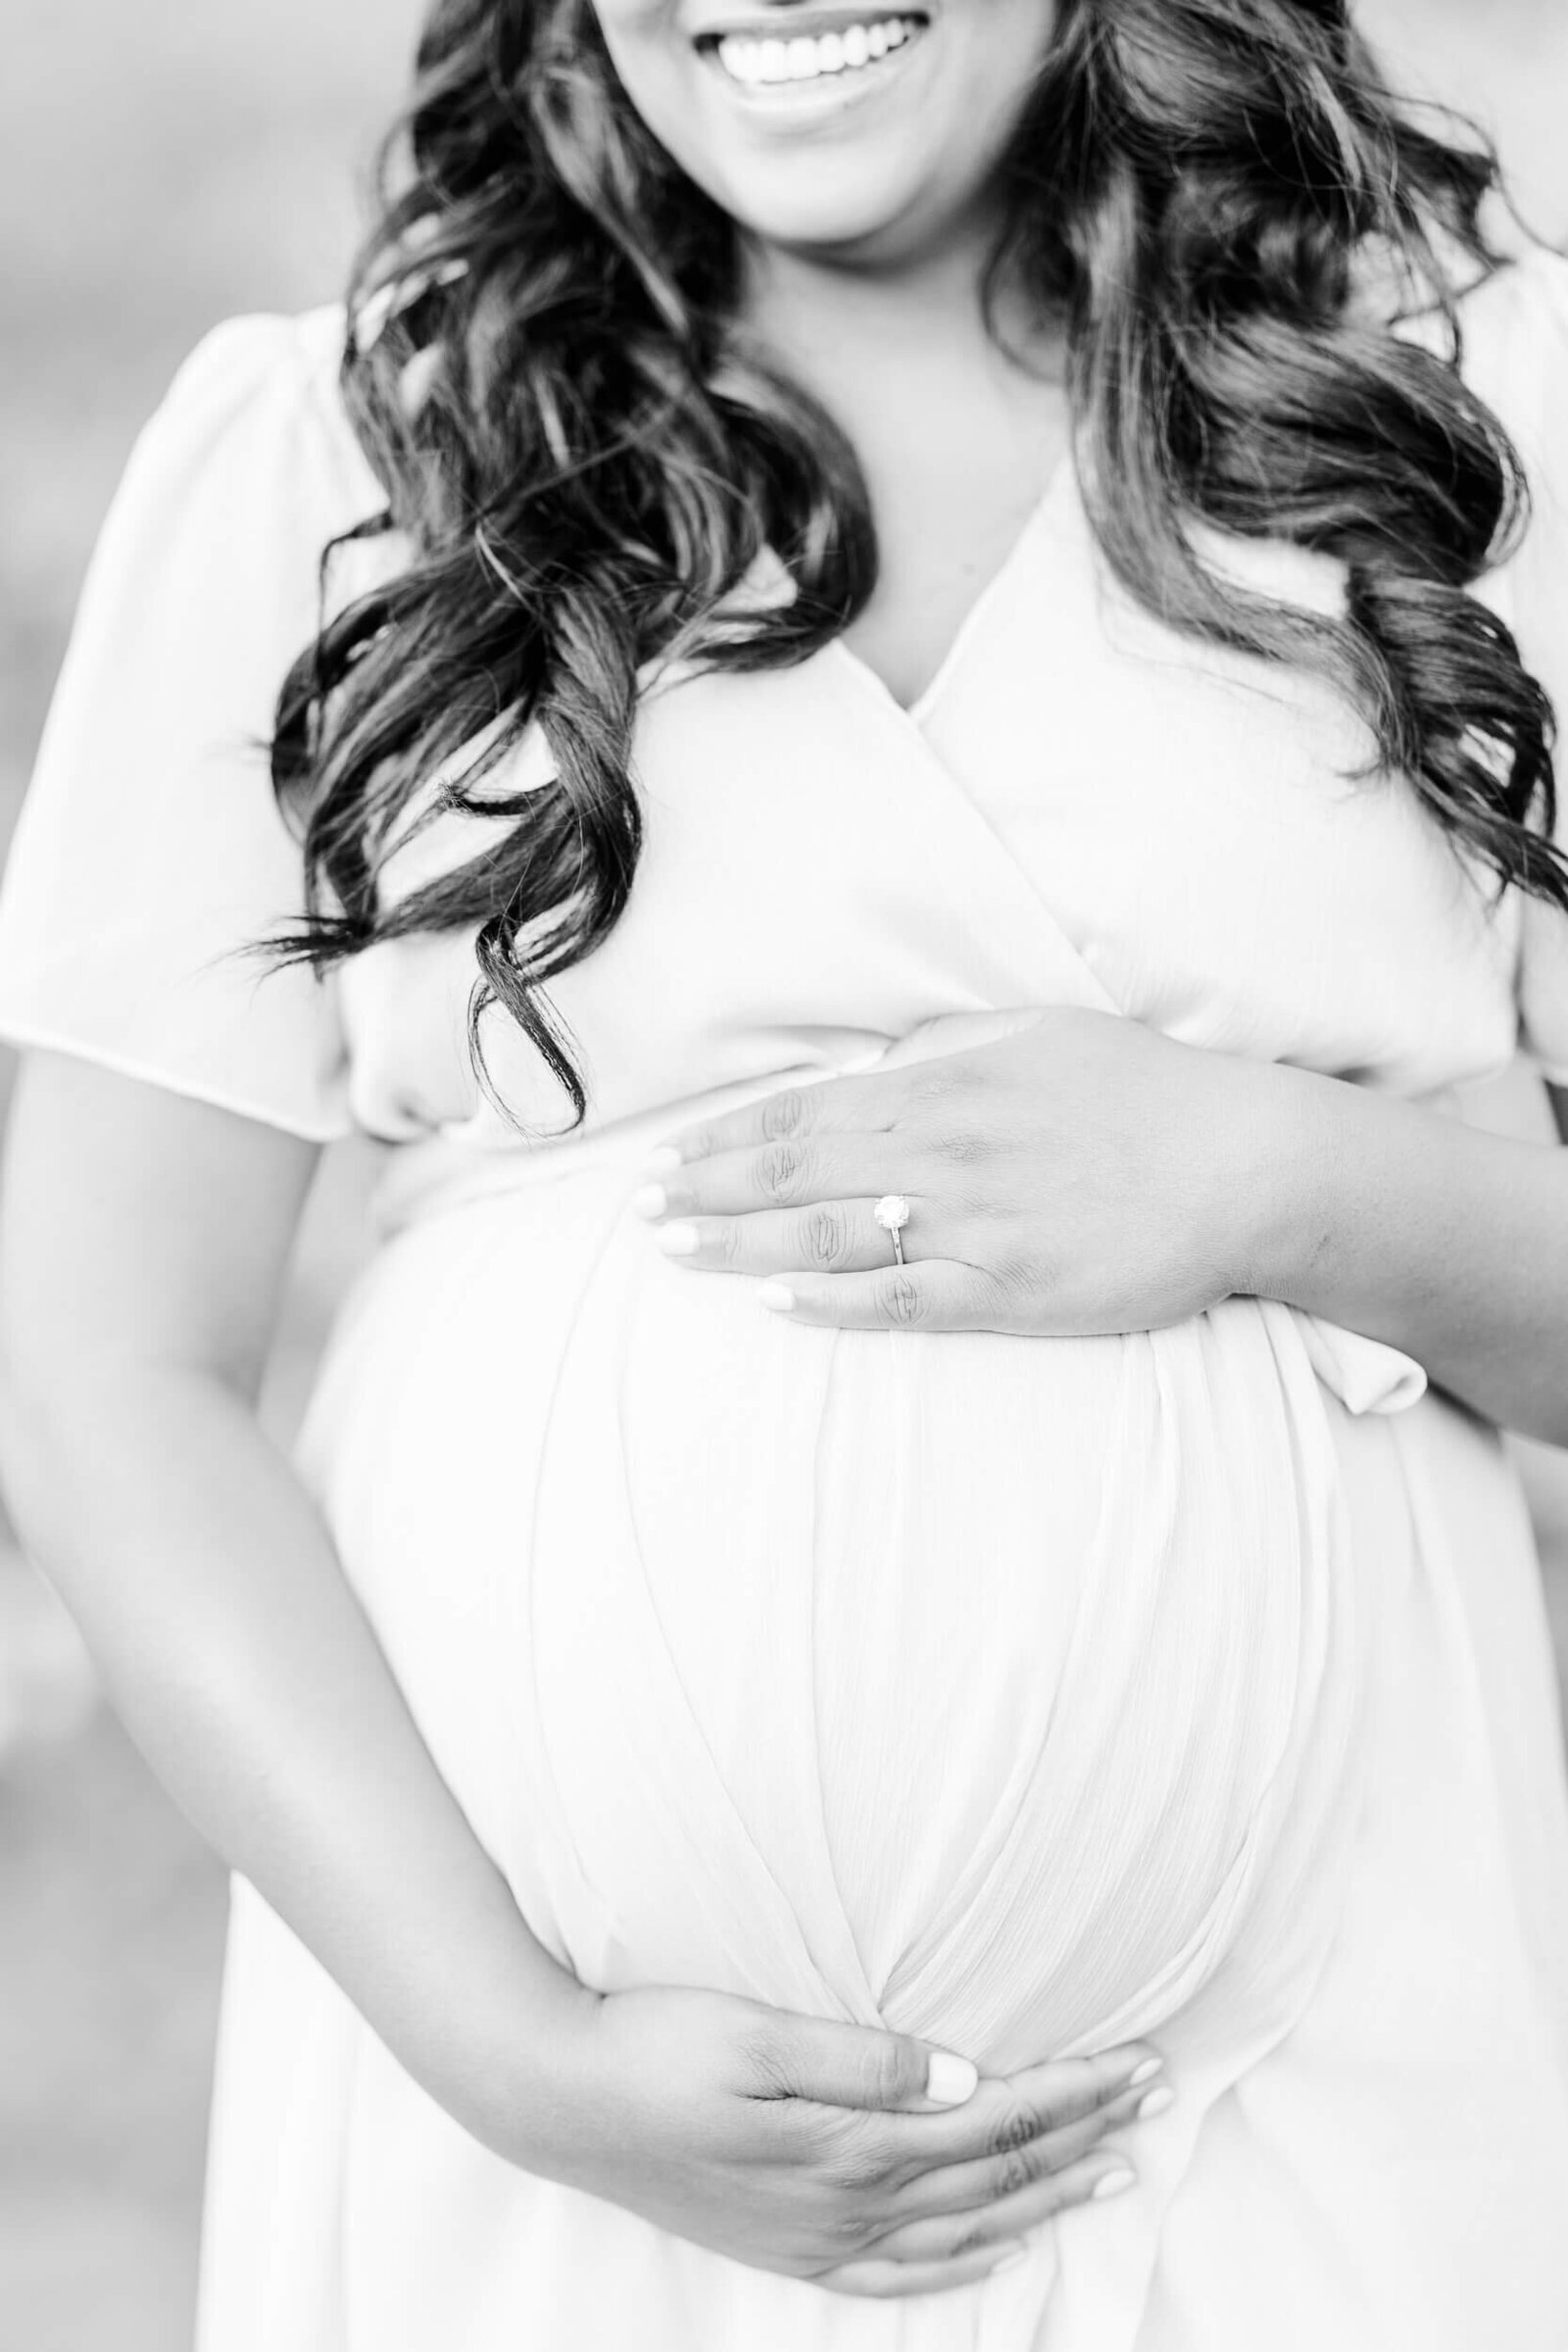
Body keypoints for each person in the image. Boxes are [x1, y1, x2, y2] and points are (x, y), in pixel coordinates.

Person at [2, 0, 1568, 2343]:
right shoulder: (331, 453)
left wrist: (1279, 1183)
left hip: (1315, 2110)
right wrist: (508, 2051)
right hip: (547, 2157)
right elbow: (99, 1367)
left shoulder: (1465, 435)